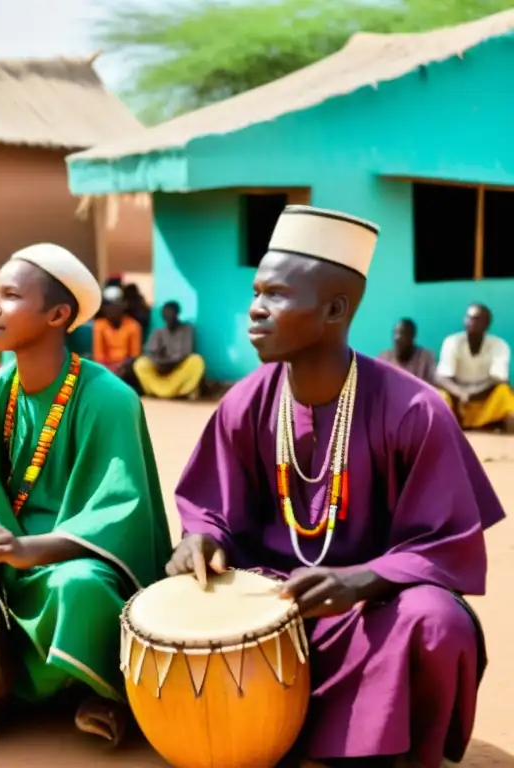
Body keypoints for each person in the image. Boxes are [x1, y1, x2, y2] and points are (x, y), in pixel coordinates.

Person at [171, 205, 504, 768]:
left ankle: (388, 749)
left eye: (275, 295)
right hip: (275, 603)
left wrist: (362, 580)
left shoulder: (415, 409)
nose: (255, 308)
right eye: (256, 291)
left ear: (334, 309)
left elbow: (447, 545)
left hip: (377, 608)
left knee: (439, 624)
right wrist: (200, 538)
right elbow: (210, 511)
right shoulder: (244, 402)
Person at [0, 243, 171, 747]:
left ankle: (107, 690)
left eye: (11, 296)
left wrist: (28, 551)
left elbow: (119, 515)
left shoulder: (109, 397)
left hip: (80, 561)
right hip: (5, 556)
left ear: (58, 315)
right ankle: (46, 681)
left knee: (78, 588)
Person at [437, 304, 514, 432]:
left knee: (504, 393)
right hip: (457, 400)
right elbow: (442, 377)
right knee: (440, 396)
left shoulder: (499, 345)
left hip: (485, 400)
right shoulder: (452, 342)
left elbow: (499, 379)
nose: (471, 322)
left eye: (477, 319)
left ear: (487, 323)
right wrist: (461, 393)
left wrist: (470, 394)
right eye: (469, 318)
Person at [133, 300, 205, 400]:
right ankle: (157, 390)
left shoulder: (187, 329)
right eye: (166, 315)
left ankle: (181, 391)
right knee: (140, 363)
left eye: (171, 314)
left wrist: (167, 362)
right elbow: (150, 353)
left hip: (178, 371)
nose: (168, 317)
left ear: (177, 314)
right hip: (161, 372)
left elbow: (185, 353)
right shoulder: (158, 333)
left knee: (196, 361)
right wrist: (159, 362)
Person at [92, 285, 142, 380]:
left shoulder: (133, 325)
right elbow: (98, 354)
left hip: (125, 368)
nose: (109, 309)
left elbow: (134, 354)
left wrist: (121, 367)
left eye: (113, 305)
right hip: (105, 367)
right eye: (107, 305)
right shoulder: (99, 325)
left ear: (123, 305)